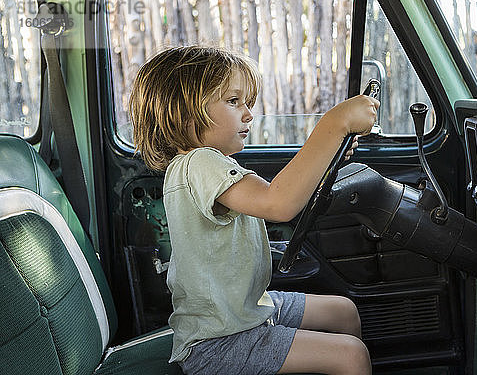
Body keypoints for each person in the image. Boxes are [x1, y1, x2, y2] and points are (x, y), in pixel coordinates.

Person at [129, 46, 379, 375]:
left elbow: (282, 191)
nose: (248, 114)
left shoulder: (206, 164)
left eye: (247, 103)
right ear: (184, 114)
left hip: (242, 310)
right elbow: (279, 203)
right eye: (234, 102)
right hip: (218, 341)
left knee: (342, 311)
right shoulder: (200, 163)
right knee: (351, 357)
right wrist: (335, 123)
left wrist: (328, 157)